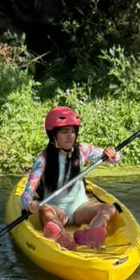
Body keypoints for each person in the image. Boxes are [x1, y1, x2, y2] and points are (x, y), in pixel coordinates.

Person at [20, 105, 120, 250]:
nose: (70, 136)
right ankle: (62, 237)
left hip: (80, 207)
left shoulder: (82, 150)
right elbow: (27, 192)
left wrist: (113, 153)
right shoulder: (43, 160)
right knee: (45, 210)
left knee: (108, 209)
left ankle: (89, 235)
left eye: (73, 131)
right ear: (53, 135)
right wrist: (29, 204)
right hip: (56, 210)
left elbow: (114, 159)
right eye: (64, 132)